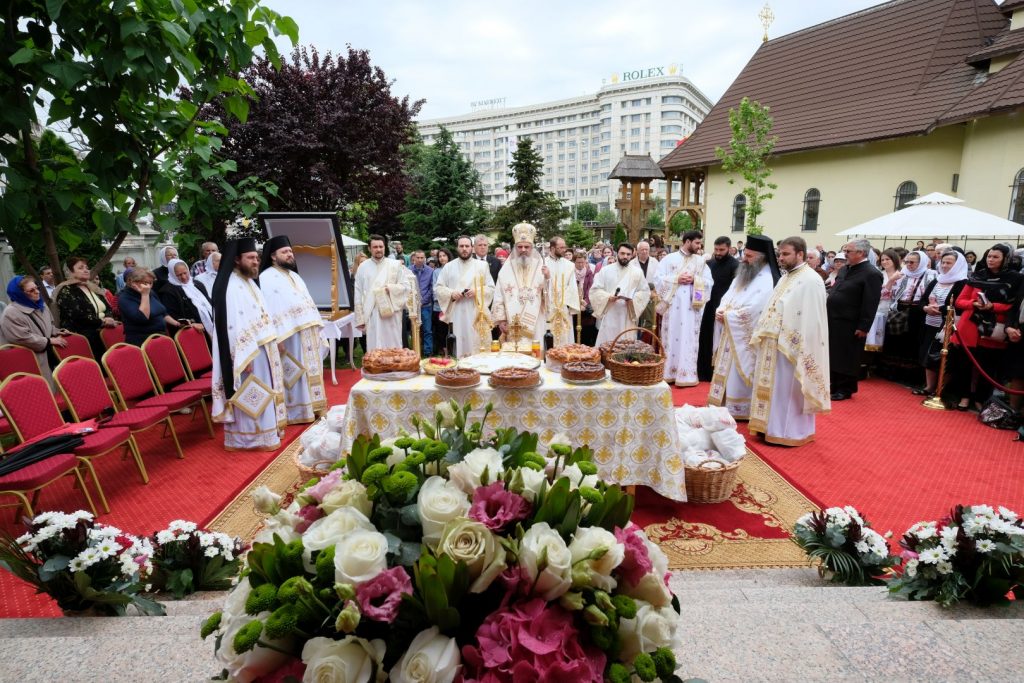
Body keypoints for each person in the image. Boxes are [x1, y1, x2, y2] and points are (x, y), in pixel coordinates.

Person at [749, 236, 830, 446]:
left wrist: (788, 338)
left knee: (787, 391)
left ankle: (789, 433)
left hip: (791, 346)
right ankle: (768, 427)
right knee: (774, 390)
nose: (781, 258)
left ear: (800, 254)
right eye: (779, 254)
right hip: (773, 344)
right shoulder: (786, 277)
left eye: (786, 254)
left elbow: (811, 319)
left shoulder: (811, 279)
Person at [211, 238, 287, 451]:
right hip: (249, 354)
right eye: (251, 258)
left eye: (257, 257)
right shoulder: (231, 287)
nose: (256, 262)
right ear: (237, 260)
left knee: (264, 392)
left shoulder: (249, 281)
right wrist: (242, 357)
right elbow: (233, 326)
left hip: (263, 348)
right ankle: (249, 439)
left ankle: (267, 433)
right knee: (252, 394)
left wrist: (275, 340)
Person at [707, 236, 779, 420]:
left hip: (744, 335)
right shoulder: (743, 274)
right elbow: (728, 296)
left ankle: (741, 408)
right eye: (745, 254)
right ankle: (723, 403)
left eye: (749, 256)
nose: (744, 259)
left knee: (739, 374)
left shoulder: (767, 279)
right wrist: (721, 310)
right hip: (730, 330)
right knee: (727, 370)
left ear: (761, 257)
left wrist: (729, 317)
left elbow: (757, 309)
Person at [258, 235, 327, 425]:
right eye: (285, 252)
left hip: (307, 333)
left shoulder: (294, 275)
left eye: (290, 251)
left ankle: (315, 406)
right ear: (273, 256)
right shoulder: (266, 278)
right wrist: (276, 338)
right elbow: (269, 310)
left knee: (311, 372)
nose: (290, 255)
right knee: (295, 374)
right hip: (288, 337)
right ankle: (298, 412)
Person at [948, 245, 1020, 411]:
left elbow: (1013, 306)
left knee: (987, 366)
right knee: (964, 364)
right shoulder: (978, 275)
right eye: (989, 256)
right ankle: (964, 397)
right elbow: (960, 301)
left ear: (1005, 259)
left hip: (994, 328)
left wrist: (991, 306)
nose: (991, 260)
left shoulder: (1015, 278)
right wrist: (975, 304)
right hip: (970, 325)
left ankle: (981, 399)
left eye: (995, 257)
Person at [654, 230, 712, 386]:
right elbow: (657, 280)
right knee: (671, 337)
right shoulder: (668, 259)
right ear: (687, 241)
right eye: (697, 243)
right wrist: (676, 279)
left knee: (689, 338)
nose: (700, 246)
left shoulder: (700, 262)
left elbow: (709, 282)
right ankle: (669, 373)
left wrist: (695, 279)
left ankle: (686, 376)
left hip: (692, 310)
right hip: (672, 309)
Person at [827, 240, 883, 401]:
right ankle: (834, 384)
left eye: (848, 251)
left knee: (847, 355)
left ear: (861, 253)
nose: (845, 254)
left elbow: (870, 302)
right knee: (834, 353)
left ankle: (845, 388)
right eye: (845, 250)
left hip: (852, 322)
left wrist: (864, 326)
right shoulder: (845, 269)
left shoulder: (872, 273)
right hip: (834, 319)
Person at [915, 250, 969, 396]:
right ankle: (929, 386)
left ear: (957, 265)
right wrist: (926, 308)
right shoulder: (937, 280)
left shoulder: (962, 283)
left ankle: (941, 389)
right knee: (928, 356)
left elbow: (958, 305)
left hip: (947, 326)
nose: (944, 266)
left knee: (945, 358)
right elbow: (922, 300)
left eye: (949, 263)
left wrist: (940, 308)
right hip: (929, 322)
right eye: (943, 262)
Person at [354, 235, 418, 352]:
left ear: (384, 247)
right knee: (375, 346)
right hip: (372, 313)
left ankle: (394, 369)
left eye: (381, 246)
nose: (378, 249)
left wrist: (391, 288)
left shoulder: (395, 265)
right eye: (375, 247)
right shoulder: (363, 267)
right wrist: (359, 318)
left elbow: (406, 287)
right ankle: (376, 367)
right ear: (369, 248)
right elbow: (357, 293)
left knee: (392, 346)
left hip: (391, 314)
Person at [434, 236, 495, 358]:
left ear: (472, 248)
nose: (464, 249)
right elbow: (438, 288)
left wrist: (476, 291)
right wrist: (451, 293)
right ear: (457, 248)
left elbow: (491, 288)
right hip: (457, 313)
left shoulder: (482, 266)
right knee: (459, 344)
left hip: (476, 312)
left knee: (476, 343)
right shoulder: (448, 267)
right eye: (461, 246)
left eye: (467, 246)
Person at [0, 275, 67, 386]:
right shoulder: (11, 313)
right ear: (20, 294)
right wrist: (49, 341)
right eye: (31, 290)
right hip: (30, 360)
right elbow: (21, 337)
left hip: (49, 354)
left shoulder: (41, 305)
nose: (37, 292)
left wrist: (56, 331)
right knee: (42, 391)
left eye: (37, 288)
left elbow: (48, 325)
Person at [492, 223, 549, 345]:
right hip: (512, 321)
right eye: (520, 247)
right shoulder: (506, 268)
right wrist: (501, 320)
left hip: (535, 321)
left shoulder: (541, 266)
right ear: (515, 247)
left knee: (535, 351)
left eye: (527, 247)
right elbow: (499, 295)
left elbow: (549, 296)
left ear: (532, 247)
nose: (523, 250)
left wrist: (548, 278)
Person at [883, 249, 935, 382]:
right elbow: (888, 293)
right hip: (900, 309)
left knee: (912, 342)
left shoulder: (930, 275)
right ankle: (891, 372)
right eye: (906, 262)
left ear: (921, 262)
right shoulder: (901, 274)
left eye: (912, 262)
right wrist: (891, 281)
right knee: (896, 341)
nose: (909, 265)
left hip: (918, 311)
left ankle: (909, 376)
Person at [54, 256, 118, 360]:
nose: (86, 270)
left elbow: (107, 307)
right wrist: (102, 322)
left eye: (87, 267)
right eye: (80, 268)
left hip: (104, 333)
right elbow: (77, 315)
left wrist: (108, 317)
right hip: (85, 337)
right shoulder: (66, 290)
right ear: (71, 272)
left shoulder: (92, 287)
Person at [590, 243, 651, 346]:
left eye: (628, 254)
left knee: (626, 346)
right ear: (616, 254)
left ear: (632, 255)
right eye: (622, 253)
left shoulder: (637, 272)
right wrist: (608, 297)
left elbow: (645, 291)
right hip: (611, 313)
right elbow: (595, 290)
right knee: (607, 345)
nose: (625, 256)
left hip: (628, 313)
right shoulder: (605, 271)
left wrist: (632, 299)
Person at [697, 236, 738, 382]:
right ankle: (702, 372)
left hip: (722, 310)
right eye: (716, 249)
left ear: (729, 248)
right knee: (704, 340)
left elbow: (736, 290)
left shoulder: (735, 266)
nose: (718, 253)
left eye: (722, 250)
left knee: (718, 342)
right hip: (707, 308)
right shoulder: (709, 263)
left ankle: (716, 373)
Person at [118, 267, 182, 345]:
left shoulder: (150, 292)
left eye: (151, 283)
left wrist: (178, 323)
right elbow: (142, 318)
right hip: (142, 341)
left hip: (160, 337)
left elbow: (163, 313)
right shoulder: (124, 298)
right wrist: (144, 295)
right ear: (132, 283)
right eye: (145, 283)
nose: (149, 286)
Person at [161, 258, 214, 337]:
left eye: (185, 273)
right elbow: (172, 315)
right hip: (191, 331)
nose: (184, 277)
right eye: (179, 275)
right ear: (172, 274)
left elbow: (209, 302)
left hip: (210, 325)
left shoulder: (197, 284)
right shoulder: (168, 291)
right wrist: (191, 324)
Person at [544, 236, 581, 347]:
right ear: (552, 248)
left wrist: (569, 305)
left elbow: (572, 287)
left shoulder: (569, 265)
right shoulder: (543, 263)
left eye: (565, 247)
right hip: (548, 307)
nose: (564, 249)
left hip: (563, 306)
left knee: (565, 339)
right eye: (561, 247)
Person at [865, 249, 902, 355]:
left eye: (888, 259)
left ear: (894, 260)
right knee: (878, 336)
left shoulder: (902, 274)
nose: (885, 262)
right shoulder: (879, 274)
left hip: (896, 311)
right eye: (882, 260)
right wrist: (890, 283)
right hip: (880, 308)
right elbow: (877, 295)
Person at [410, 250, 434, 356]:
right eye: (418, 258)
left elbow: (431, 288)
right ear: (414, 258)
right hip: (413, 307)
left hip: (426, 305)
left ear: (425, 258)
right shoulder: (408, 270)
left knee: (427, 330)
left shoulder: (430, 271)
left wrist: (422, 301)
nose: (420, 260)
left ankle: (428, 351)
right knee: (414, 329)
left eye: (422, 258)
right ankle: (415, 350)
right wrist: (414, 302)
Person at [634, 241, 659, 334]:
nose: (644, 251)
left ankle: (648, 340)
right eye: (642, 249)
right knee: (637, 322)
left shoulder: (655, 262)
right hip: (637, 296)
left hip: (651, 297)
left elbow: (658, 279)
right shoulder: (632, 264)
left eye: (646, 249)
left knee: (650, 322)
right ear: (637, 251)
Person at [573, 250, 596, 345]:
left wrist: (584, 302)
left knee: (586, 331)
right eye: (578, 262)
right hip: (573, 304)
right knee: (575, 330)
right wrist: (576, 302)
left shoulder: (589, 272)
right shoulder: (571, 272)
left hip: (585, 306)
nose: (580, 264)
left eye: (582, 262)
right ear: (574, 262)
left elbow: (590, 288)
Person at [431, 248, 452, 355]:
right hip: (440, 306)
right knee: (441, 330)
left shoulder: (454, 269)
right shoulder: (436, 272)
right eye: (440, 256)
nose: (442, 258)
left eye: (444, 255)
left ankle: (454, 349)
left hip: (453, 304)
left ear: (448, 256)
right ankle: (444, 350)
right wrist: (442, 301)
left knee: (452, 328)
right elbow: (435, 288)